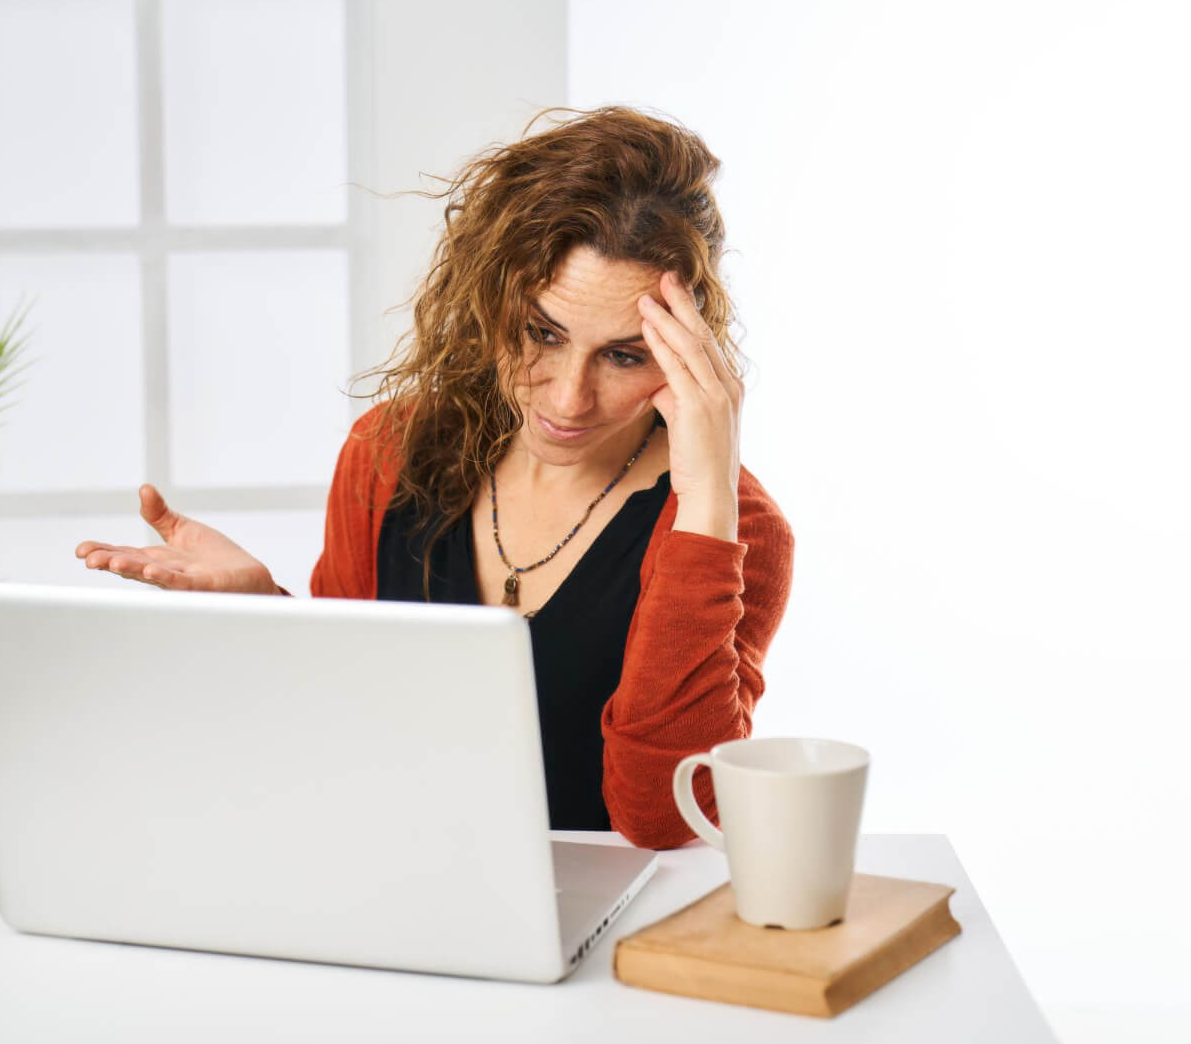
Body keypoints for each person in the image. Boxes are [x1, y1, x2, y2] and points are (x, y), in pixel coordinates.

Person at [74, 106, 795, 850]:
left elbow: (661, 819)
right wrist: (271, 614)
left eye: (624, 356)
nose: (568, 398)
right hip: (391, 890)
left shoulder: (739, 529)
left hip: (605, 947)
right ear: (489, 299)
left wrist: (703, 505)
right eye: (541, 333)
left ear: (690, 352)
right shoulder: (390, 449)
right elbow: (348, 735)